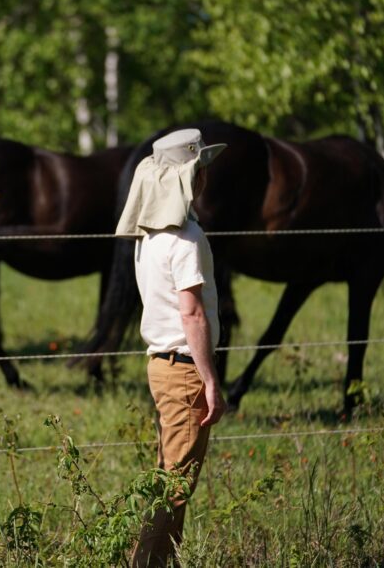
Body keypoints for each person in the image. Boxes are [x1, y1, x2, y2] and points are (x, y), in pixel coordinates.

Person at [115, 128, 227, 567]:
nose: (205, 179)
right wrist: (210, 379)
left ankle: (163, 561)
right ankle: (140, 562)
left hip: (161, 367)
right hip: (183, 368)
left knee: (170, 477)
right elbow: (193, 314)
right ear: (189, 179)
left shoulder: (149, 236)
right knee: (173, 486)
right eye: (200, 170)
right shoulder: (187, 239)